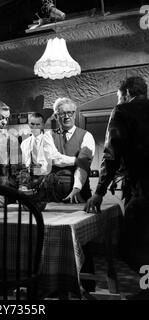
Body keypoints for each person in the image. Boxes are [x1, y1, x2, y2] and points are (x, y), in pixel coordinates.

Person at [85, 76, 149, 300]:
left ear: (127, 92)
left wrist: (99, 192)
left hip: (142, 190)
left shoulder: (122, 111)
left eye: (120, 96)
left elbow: (110, 155)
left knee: (135, 245)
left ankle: (145, 290)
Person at [42, 97, 96, 203]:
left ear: (75, 114)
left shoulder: (86, 136)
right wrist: (77, 160)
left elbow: (83, 166)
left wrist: (76, 188)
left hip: (78, 192)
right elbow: (54, 159)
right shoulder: (48, 135)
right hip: (53, 191)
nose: (67, 117)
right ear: (56, 116)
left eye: (70, 113)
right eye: (63, 113)